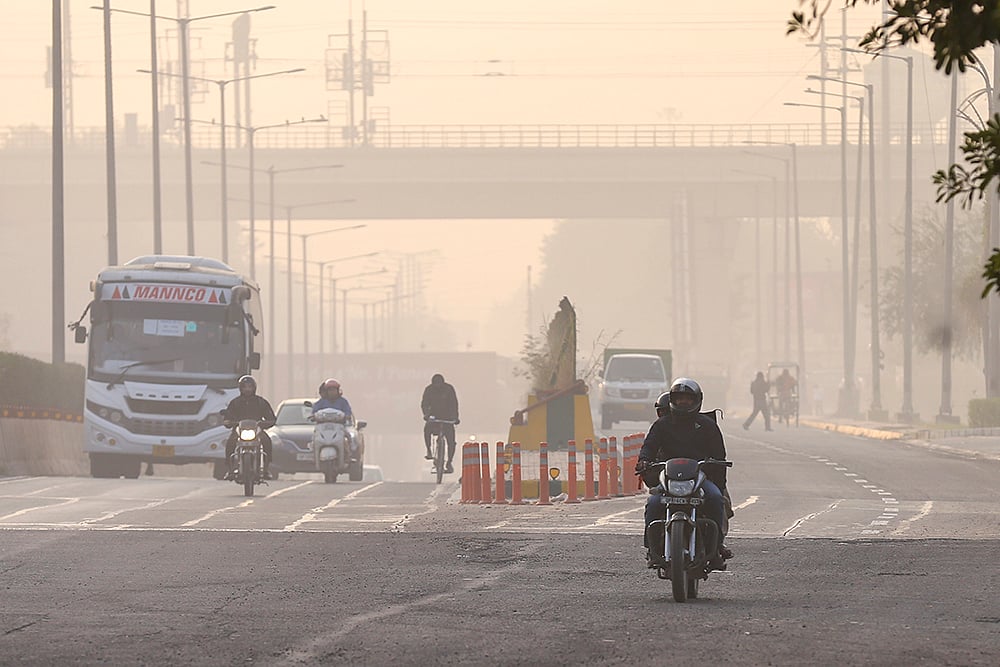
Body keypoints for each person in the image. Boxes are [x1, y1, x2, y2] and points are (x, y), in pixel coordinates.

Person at [635, 378, 732, 569]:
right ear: (672, 400)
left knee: (715, 499)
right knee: (653, 503)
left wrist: (717, 476)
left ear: (697, 400)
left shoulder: (707, 425)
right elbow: (649, 447)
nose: (683, 403)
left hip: (699, 478)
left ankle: (717, 546)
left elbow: (720, 456)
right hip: (669, 479)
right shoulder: (662, 425)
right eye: (679, 399)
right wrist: (644, 460)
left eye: (688, 399)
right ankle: (652, 549)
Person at [222, 375, 277, 480]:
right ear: (240, 388)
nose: (247, 389)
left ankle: (265, 469)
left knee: (266, 441)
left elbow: (270, 417)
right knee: (230, 442)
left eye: (250, 387)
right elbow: (227, 417)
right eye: (245, 387)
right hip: (239, 430)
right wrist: (228, 422)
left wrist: (267, 422)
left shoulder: (261, 402)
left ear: (254, 388)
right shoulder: (235, 402)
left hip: (257, 430)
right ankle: (230, 470)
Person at [421, 373, 460, 473]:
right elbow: (424, 403)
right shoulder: (429, 390)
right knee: (427, 430)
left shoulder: (449, 389)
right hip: (434, 418)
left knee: (451, 442)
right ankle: (429, 450)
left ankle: (449, 462)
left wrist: (455, 417)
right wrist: (426, 415)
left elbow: (454, 404)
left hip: (447, 418)